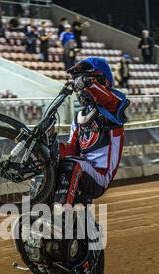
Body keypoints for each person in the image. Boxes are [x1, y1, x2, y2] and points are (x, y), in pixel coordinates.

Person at [54, 56, 129, 207]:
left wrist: (89, 84)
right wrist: (52, 149)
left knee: (72, 164)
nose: (80, 89)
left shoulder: (113, 107)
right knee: (50, 164)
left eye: (83, 80)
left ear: (103, 81)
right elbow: (71, 148)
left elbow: (109, 100)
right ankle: (37, 210)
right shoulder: (79, 117)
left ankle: (61, 211)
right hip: (83, 170)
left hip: (100, 175)